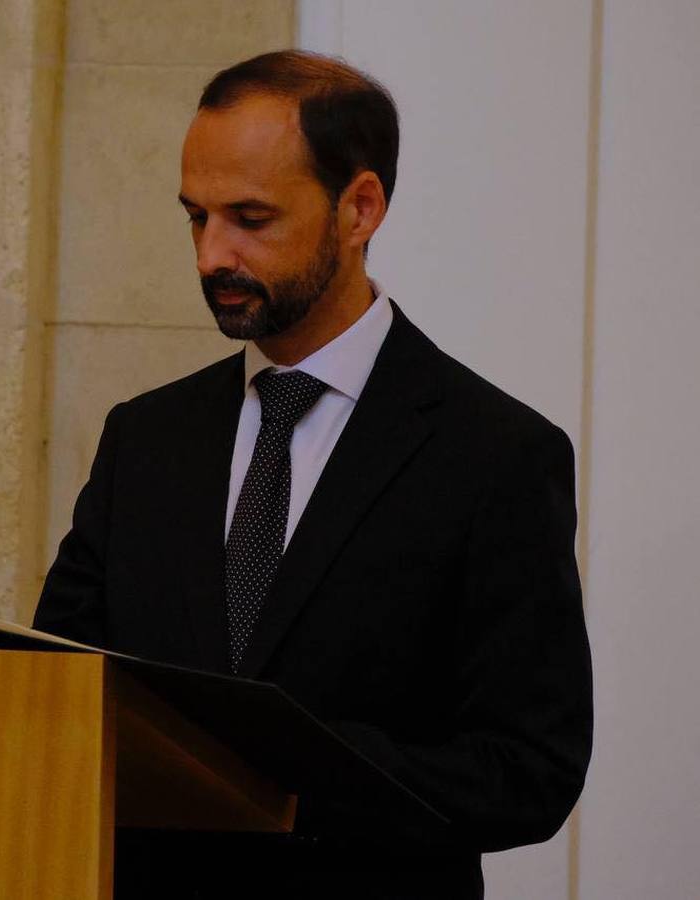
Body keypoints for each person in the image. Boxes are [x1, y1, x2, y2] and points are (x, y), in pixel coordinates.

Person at [34, 50, 592, 898]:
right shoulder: (145, 438)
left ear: (359, 208)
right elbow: (60, 691)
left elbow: (528, 772)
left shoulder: (496, 454)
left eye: (250, 218)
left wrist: (295, 769)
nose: (210, 255)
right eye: (195, 217)